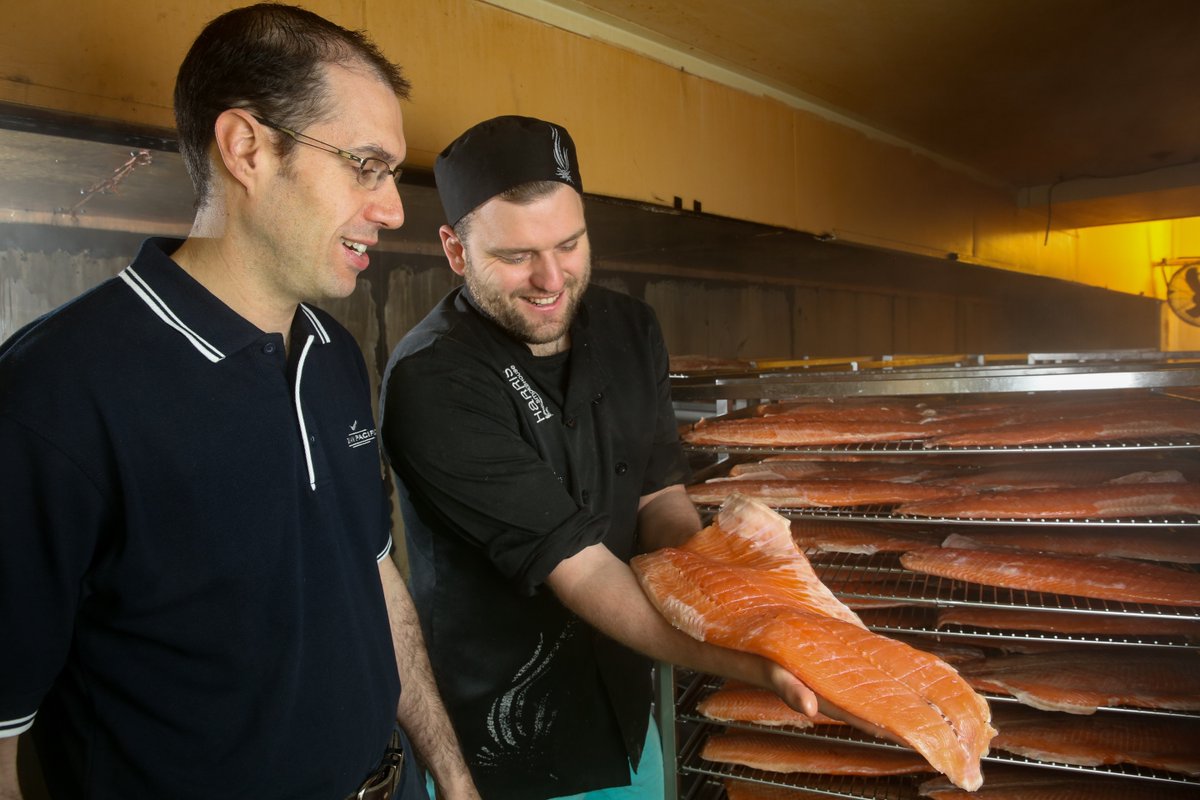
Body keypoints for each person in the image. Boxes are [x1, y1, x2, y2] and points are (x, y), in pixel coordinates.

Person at [0, 5, 477, 799]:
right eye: (365, 164)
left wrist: (452, 776)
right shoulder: (53, 395)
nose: (394, 209)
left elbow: (374, 576)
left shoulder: (333, 355)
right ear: (247, 148)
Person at [379, 115, 817, 799]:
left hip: (627, 708)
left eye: (570, 243)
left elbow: (657, 498)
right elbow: (580, 571)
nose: (551, 278)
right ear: (456, 251)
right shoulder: (433, 379)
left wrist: (732, 582)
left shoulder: (626, 326)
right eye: (516, 256)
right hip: (505, 743)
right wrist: (753, 658)